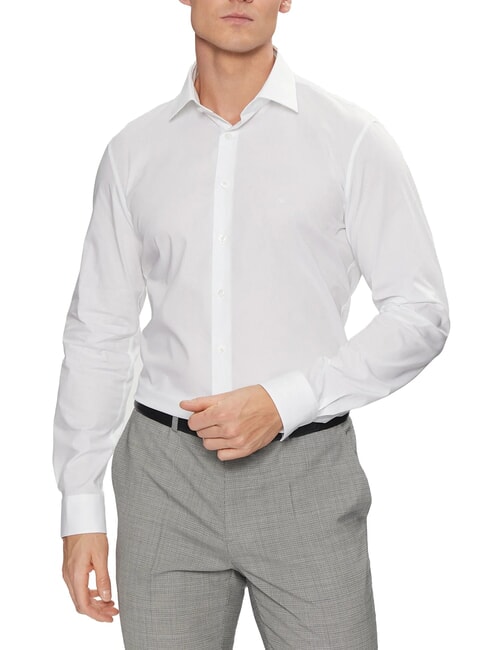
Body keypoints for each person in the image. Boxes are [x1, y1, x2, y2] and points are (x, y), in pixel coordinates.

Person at [53, 0, 450, 648]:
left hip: (305, 473)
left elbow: (421, 310)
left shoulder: (352, 139)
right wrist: (80, 505)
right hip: (162, 482)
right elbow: (99, 329)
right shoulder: (134, 153)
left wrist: (285, 399)